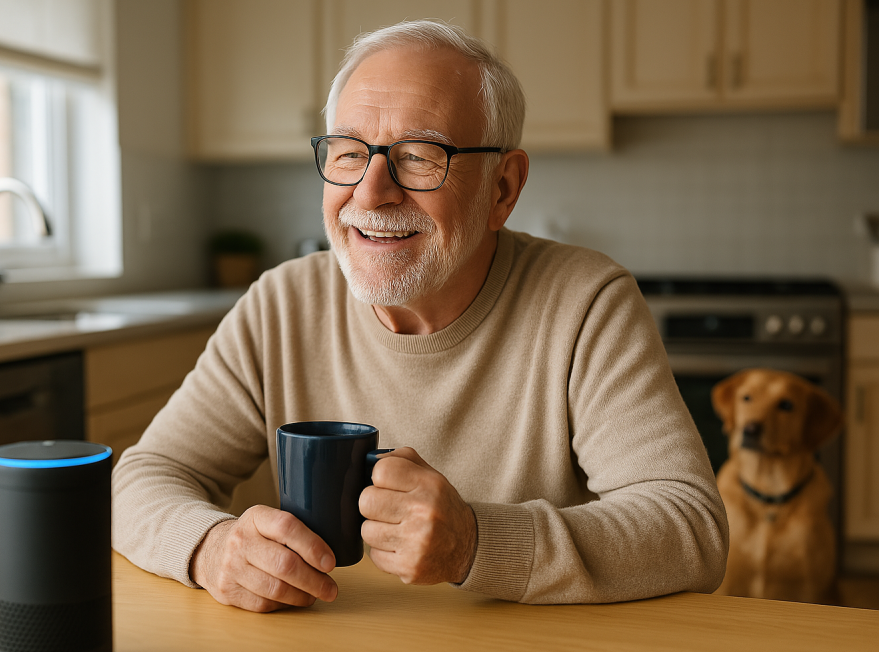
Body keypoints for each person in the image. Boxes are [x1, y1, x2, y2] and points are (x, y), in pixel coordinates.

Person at [111, 20, 728, 612]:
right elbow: (142, 478)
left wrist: (477, 541)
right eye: (350, 153)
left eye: (420, 156)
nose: (371, 192)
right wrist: (211, 548)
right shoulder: (281, 303)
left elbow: (689, 526)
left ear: (503, 189)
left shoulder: (586, 303)